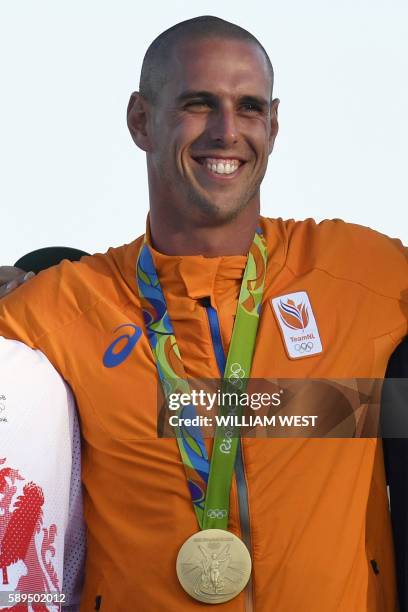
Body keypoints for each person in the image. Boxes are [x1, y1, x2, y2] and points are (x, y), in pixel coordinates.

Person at [0, 15, 407, 611]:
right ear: (141, 119)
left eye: (249, 107)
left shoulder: (359, 273)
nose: (227, 131)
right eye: (199, 104)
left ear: (273, 122)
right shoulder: (63, 308)